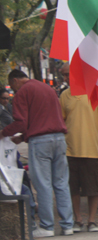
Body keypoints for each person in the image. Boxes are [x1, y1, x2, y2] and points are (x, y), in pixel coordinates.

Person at [0, 69, 74, 238]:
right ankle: (67, 225)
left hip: (40, 141)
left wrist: (3, 133)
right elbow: (44, 118)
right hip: (59, 138)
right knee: (61, 183)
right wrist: (24, 137)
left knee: (43, 184)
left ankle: (47, 226)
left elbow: (20, 122)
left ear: (16, 80)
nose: (13, 89)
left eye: (12, 85)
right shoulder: (46, 88)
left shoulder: (22, 92)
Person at [59, 63, 98, 233]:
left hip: (91, 148)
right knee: (73, 187)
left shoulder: (94, 92)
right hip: (70, 149)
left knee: (93, 188)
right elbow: (62, 120)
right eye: (63, 75)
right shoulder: (64, 95)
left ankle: (92, 220)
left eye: (68, 74)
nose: (66, 78)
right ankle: (78, 219)